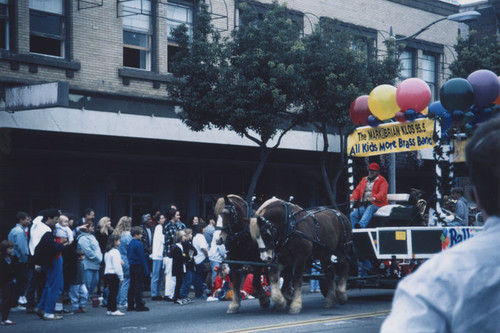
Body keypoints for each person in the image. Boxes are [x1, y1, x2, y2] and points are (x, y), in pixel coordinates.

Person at [381, 116, 500, 332]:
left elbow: (461, 219)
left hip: (457, 226)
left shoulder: (433, 282)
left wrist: (448, 216)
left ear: (476, 195)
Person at [33, 208, 68, 321]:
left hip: (49, 260)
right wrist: (64, 245)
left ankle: (41, 307)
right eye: (56, 219)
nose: (57, 222)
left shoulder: (39, 226)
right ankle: (48, 311)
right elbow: (52, 247)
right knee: (56, 286)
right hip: (54, 259)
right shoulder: (46, 231)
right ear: (49, 218)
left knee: (50, 285)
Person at [349, 162, 389, 228]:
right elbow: (357, 191)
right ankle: (354, 233)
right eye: (370, 170)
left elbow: (383, 193)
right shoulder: (364, 180)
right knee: (353, 215)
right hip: (365, 205)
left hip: (378, 204)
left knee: (371, 207)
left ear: (377, 172)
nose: (371, 172)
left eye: (373, 171)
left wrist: (374, 198)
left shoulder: (382, 180)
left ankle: (361, 225)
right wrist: (353, 198)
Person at [8, 211, 31, 309]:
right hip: (19, 259)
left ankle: (14, 302)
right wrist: (27, 259)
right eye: (26, 219)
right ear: (21, 220)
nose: (28, 221)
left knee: (17, 281)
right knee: (20, 281)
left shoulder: (14, 230)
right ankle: (15, 303)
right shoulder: (19, 231)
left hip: (14, 258)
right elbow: (23, 248)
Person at [163, 208, 185, 301]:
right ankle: (169, 294)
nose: (179, 217)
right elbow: (174, 238)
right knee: (170, 274)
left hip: (175, 253)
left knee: (175, 275)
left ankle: (173, 293)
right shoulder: (169, 226)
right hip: (169, 253)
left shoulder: (177, 225)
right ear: (172, 216)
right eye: (177, 215)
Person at [77, 221, 103, 297]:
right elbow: (88, 251)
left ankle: (86, 297)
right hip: (88, 265)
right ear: (86, 228)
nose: (93, 227)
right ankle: (83, 300)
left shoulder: (92, 236)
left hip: (96, 265)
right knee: (87, 284)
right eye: (91, 226)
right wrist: (97, 258)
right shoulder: (83, 238)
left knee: (95, 282)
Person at [127, 226, 149, 312]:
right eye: (140, 234)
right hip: (138, 266)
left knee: (132, 285)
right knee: (138, 286)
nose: (142, 236)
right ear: (136, 235)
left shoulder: (130, 243)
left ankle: (130, 304)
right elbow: (142, 258)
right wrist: (146, 270)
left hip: (132, 265)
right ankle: (139, 305)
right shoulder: (138, 244)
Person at [114, 216, 132, 308]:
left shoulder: (116, 234)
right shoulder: (128, 235)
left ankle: (118, 299)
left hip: (117, 257)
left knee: (120, 280)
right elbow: (130, 247)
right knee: (126, 280)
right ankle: (123, 301)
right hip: (125, 258)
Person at [104, 235, 125, 316]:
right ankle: (114, 309)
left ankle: (109, 309)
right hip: (114, 274)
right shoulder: (116, 252)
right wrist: (121, 276)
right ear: (115, 242)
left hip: (107, 273)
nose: (119, 242)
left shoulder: (107, 252)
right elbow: (117, 266)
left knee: (110, 292)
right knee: (114, 292)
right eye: (118, 241)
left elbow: (108, 262)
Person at [0, 241, 18, 325]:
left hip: (10, 281)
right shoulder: (2, 259)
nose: (12, 250)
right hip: (4, 281)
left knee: (7, 299)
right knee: (5, 300)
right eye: (10, 248)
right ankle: (4, 318)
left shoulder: (13, 258)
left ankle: (5, 318)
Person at [150, 214, 166, 300]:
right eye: (162, 218)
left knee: (160, 276)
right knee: (156, 276)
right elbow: (162, 239)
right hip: (157, 255)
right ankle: (154, 294)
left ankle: (158, 293)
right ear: (158, 220)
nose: (164, 219)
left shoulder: (161, 228)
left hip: (160, 255)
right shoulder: (158, 228)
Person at [171, 230, 188, 305]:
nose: (185, 237)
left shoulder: (181, 245)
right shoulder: (176, 246)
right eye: (184, 235)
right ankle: (176, 298)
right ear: (180, 237)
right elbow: (179, 257)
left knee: (180, 282)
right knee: (178, 282)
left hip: (181, 266)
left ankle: (178, 297)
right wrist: (187, 258)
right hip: (178, 267)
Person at [192, 222, 209, 299]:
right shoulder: (201, 237)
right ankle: (200, 293)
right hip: (202, 258)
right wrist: (207, 255)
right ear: (202, 229)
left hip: (196, 258)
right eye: (205, 228)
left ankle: (197, 292)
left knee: (197, 277)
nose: (205, 229)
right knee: (201, 277)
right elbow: (203, 248)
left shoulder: (195, 237)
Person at [68, 249, 88, 314]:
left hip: (81, 282)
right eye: (82, 256)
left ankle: (82, 305)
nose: (84, 257)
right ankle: (75, 308)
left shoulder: (82, 264)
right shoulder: (73, 264)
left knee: (85, 292)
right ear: (78, 257)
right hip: (74, 282)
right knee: (74, 295)